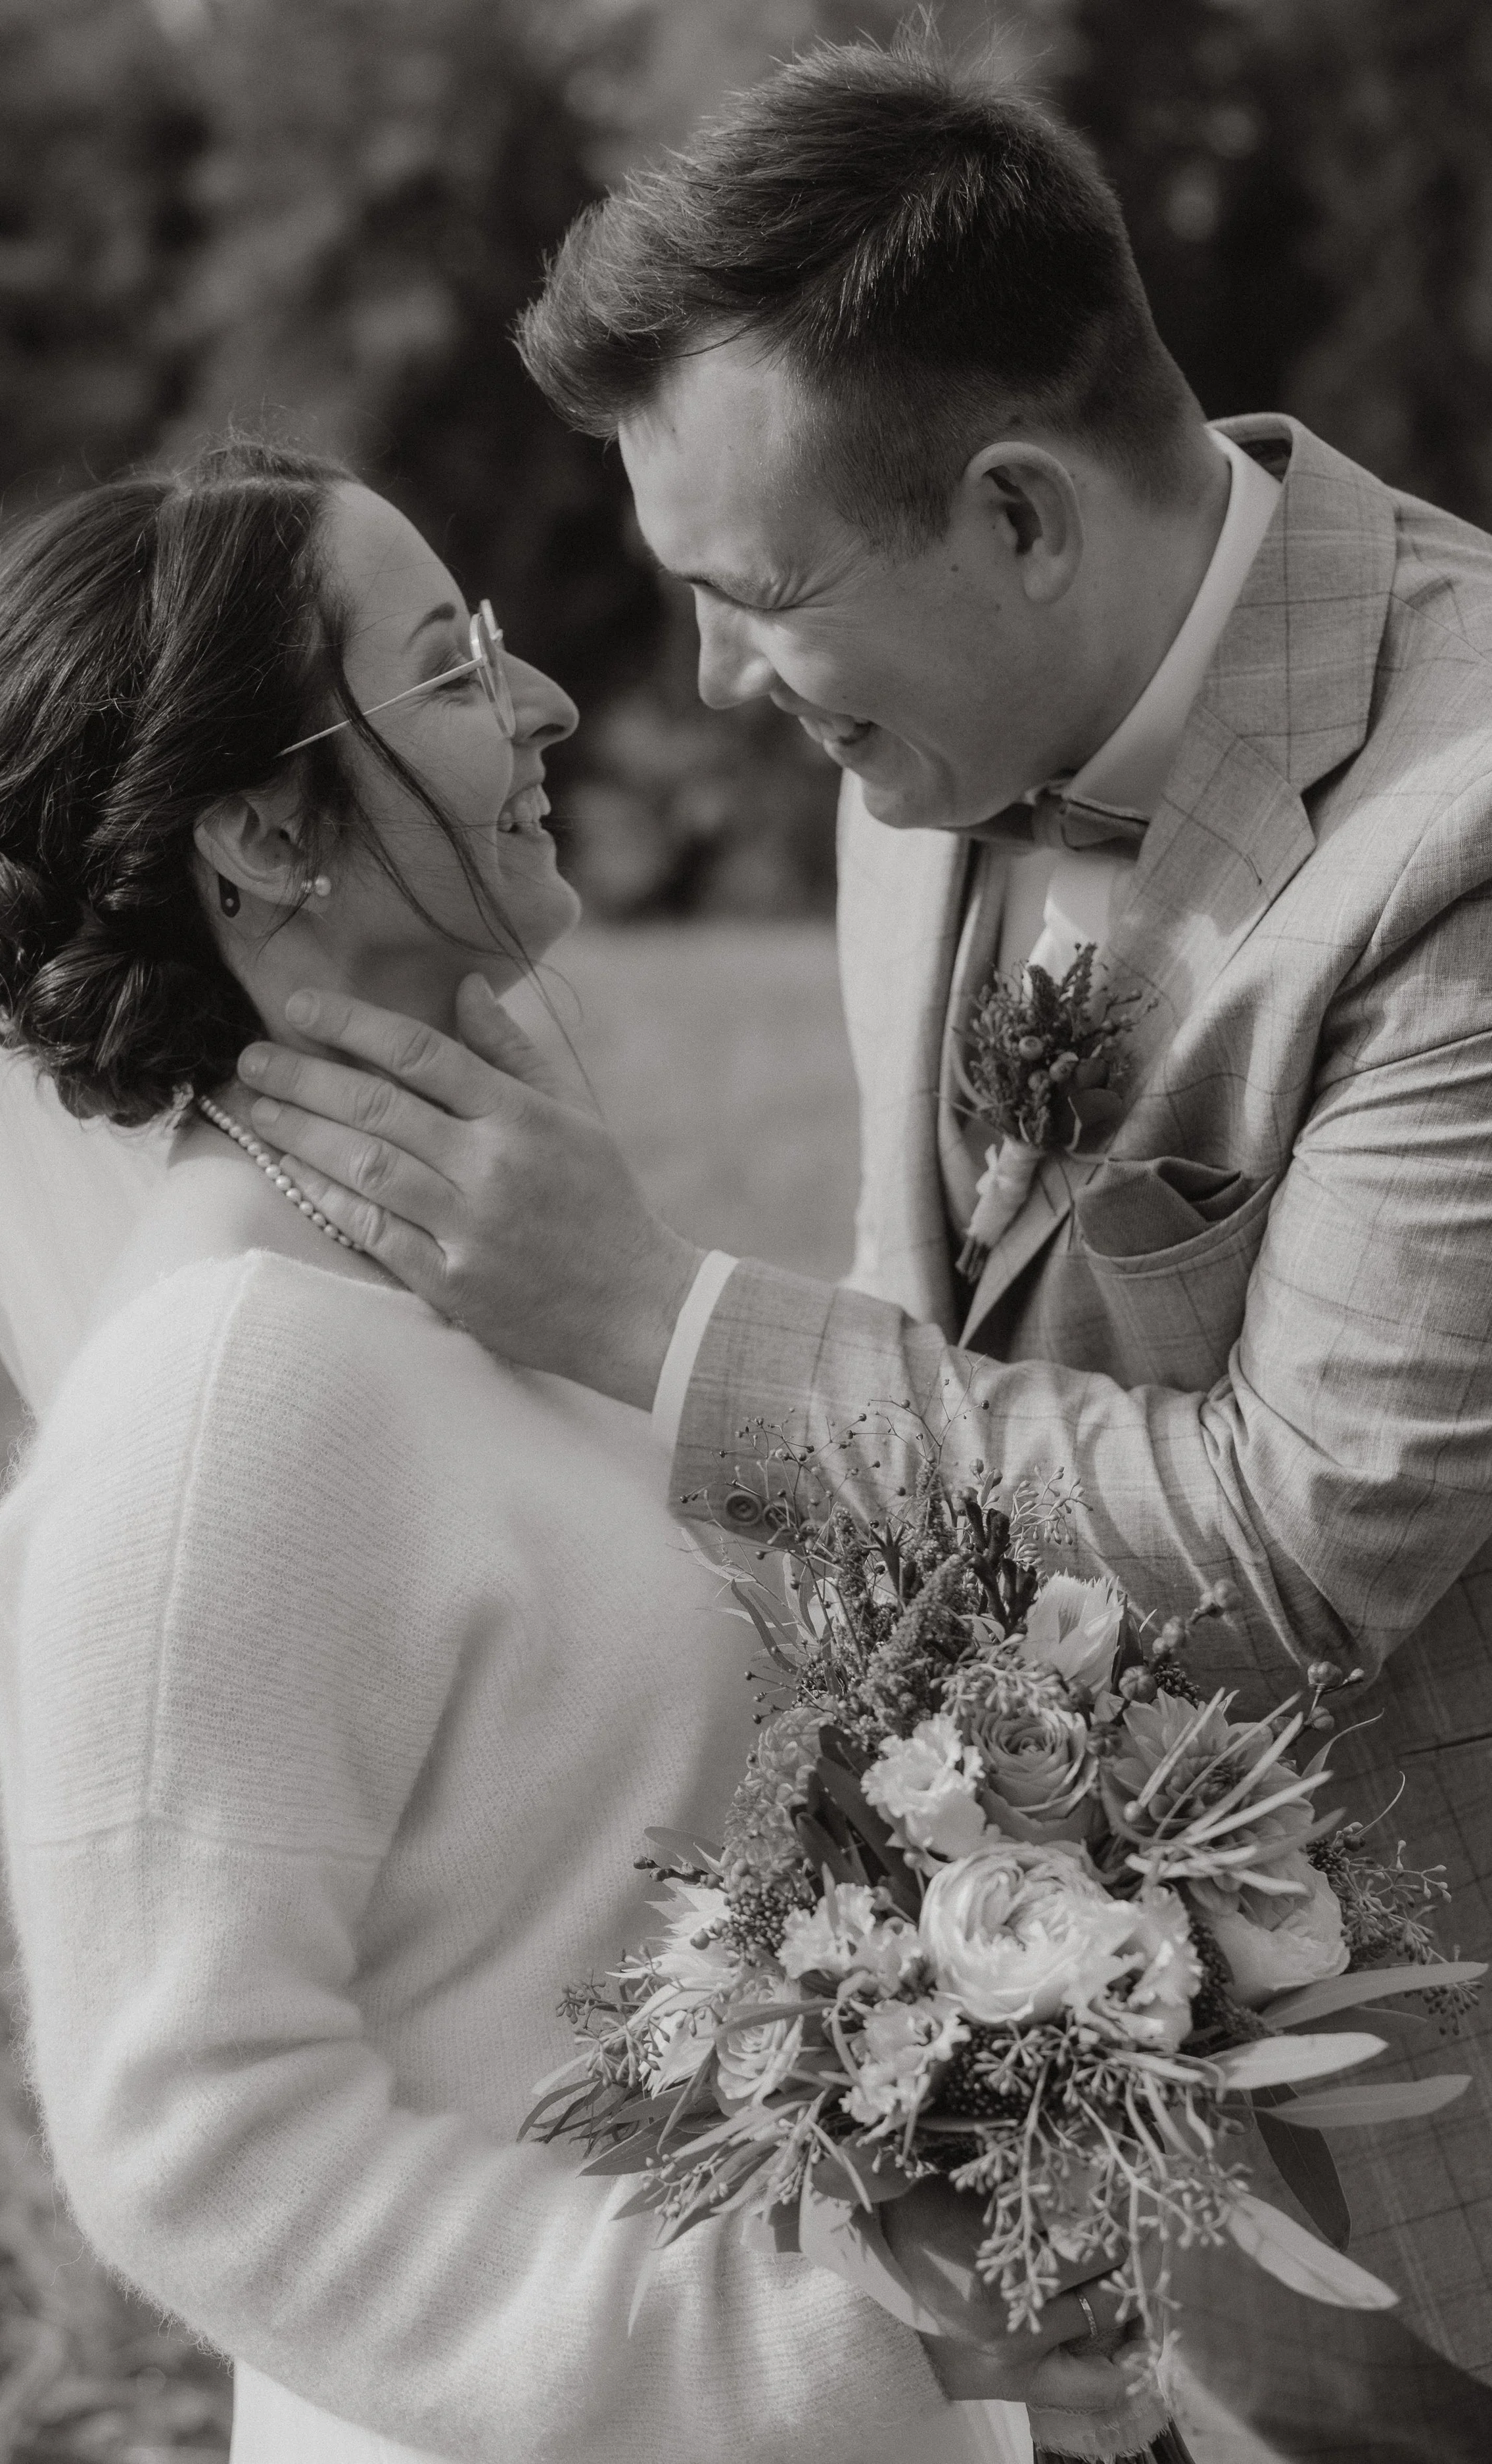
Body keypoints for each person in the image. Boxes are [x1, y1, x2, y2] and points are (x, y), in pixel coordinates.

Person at [222, 36, 1492, 2390]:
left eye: (755, 592)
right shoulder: (899, 755)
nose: (701, 677)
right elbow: (963, 1323)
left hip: (1452, 2187)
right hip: (1097, 2165)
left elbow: (1312, 1526)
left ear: (1016, 515)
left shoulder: (1462, 824)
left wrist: (661, 1321)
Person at [0, 434, 1129, 2464]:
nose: (540, 703)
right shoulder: (220, 1414)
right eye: (450, 669)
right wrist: (819, 2344)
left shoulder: (515, 1272)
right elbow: (193, 2136)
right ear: (270, 827)